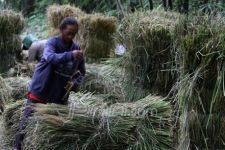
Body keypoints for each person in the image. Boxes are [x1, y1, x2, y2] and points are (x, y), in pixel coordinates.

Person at [14, 17, 85, 150]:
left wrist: (75, 83)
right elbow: (50, 57)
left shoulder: (77, 48)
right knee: (27, 119)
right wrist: (70, 55)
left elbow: (82, 72)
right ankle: (17, 147)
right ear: (61, 30)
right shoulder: (52, 43)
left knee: (54, 126)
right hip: (42, 88)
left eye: (74, 34)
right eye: (69, 32)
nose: (71, 36)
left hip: (58, 95)